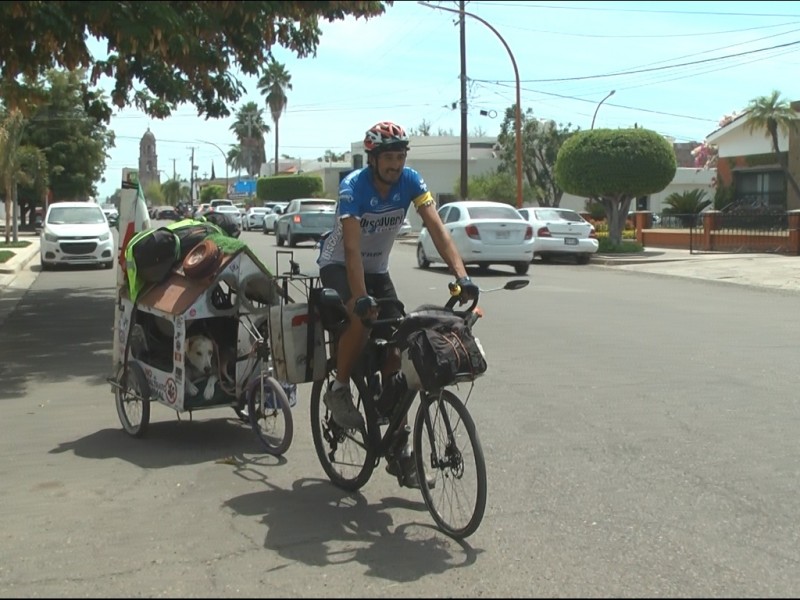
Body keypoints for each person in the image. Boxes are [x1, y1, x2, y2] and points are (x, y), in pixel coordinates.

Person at [316, 120, 479, 488]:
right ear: (372, 159)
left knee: (402, 345)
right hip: (340, 265)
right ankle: (339, 389)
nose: (395, 164)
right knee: (363, 318)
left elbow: (437, 228)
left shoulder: (411, 181)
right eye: (388, 157)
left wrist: (461, 275)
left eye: (400, 157)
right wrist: (359, 299)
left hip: (378, 268)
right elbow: (353, 250)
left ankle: (398, 448)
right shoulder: (352, 188)